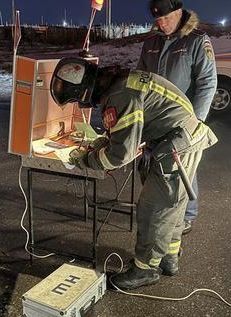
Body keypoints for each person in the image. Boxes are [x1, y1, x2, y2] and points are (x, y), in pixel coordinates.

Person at [50, 57, 217, 290]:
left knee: (154, 209)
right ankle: (168, 258)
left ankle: (145, 270)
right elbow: (128, 130)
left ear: (85, 91)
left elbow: (119, 156)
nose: (82, 105)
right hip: (181, 138)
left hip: (176, 146)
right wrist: (102, 143)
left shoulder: (119, 96)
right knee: (172, 206)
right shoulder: (121, 82)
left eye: (78, 99)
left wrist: (87, 160)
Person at [137, 0, 217, 235]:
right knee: (156, 163)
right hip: (155, 118)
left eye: (167, 18)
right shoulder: (151, 42)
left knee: (183, 167)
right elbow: (140, 78)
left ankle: (188, 215)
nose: (162, 24)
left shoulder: (195, 41)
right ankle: (160, 208)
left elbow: (207, 83)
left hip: (184, 119)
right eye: (158, 20)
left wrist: (197, 122)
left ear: (179, 13)